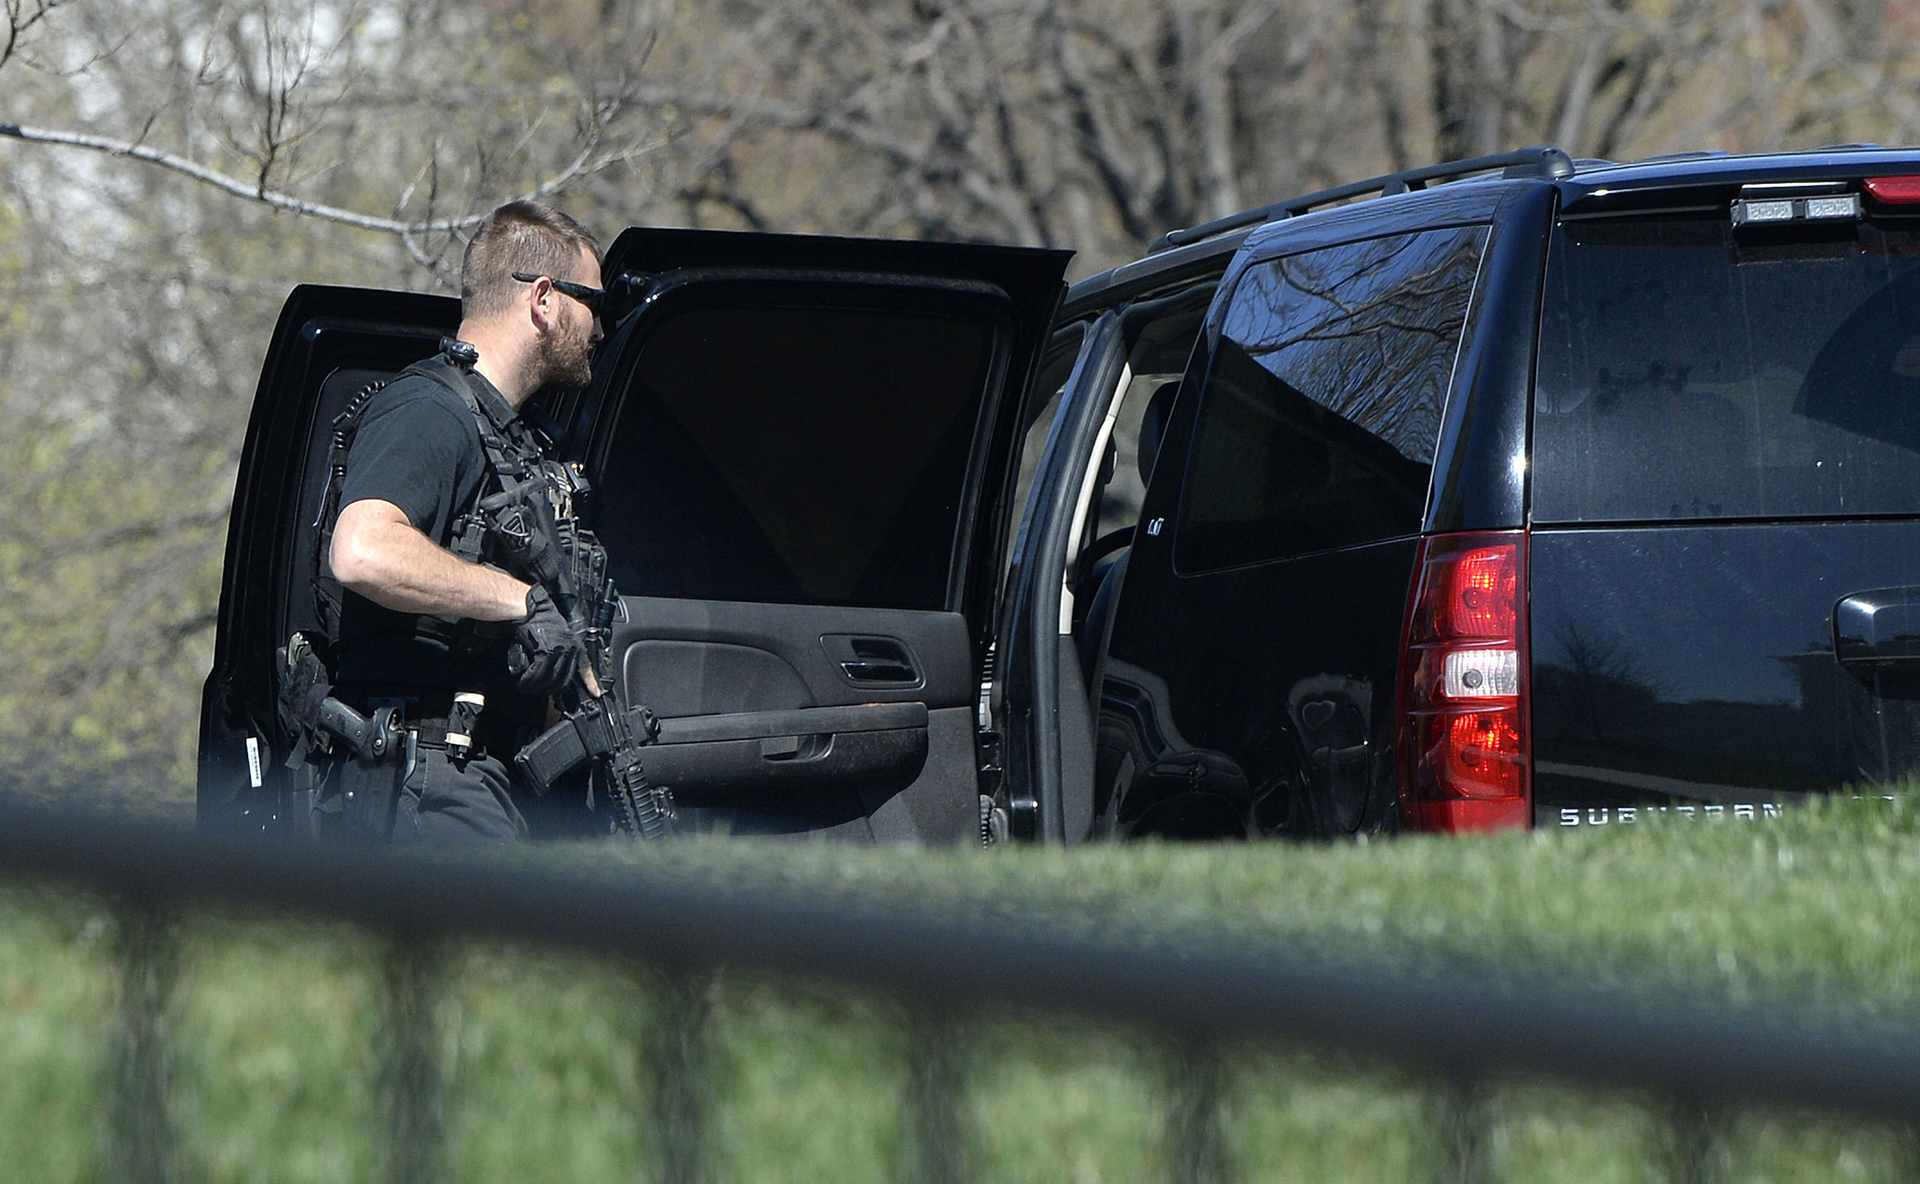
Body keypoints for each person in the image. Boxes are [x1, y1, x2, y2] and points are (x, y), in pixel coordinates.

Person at [323, 200, 606, 842]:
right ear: (544, 299)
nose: (599, 328)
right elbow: (362, 549)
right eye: (593, 303)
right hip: (428, 782)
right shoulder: (429, 408)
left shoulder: (514, 437)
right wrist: (521, 600)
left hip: (483, 775)